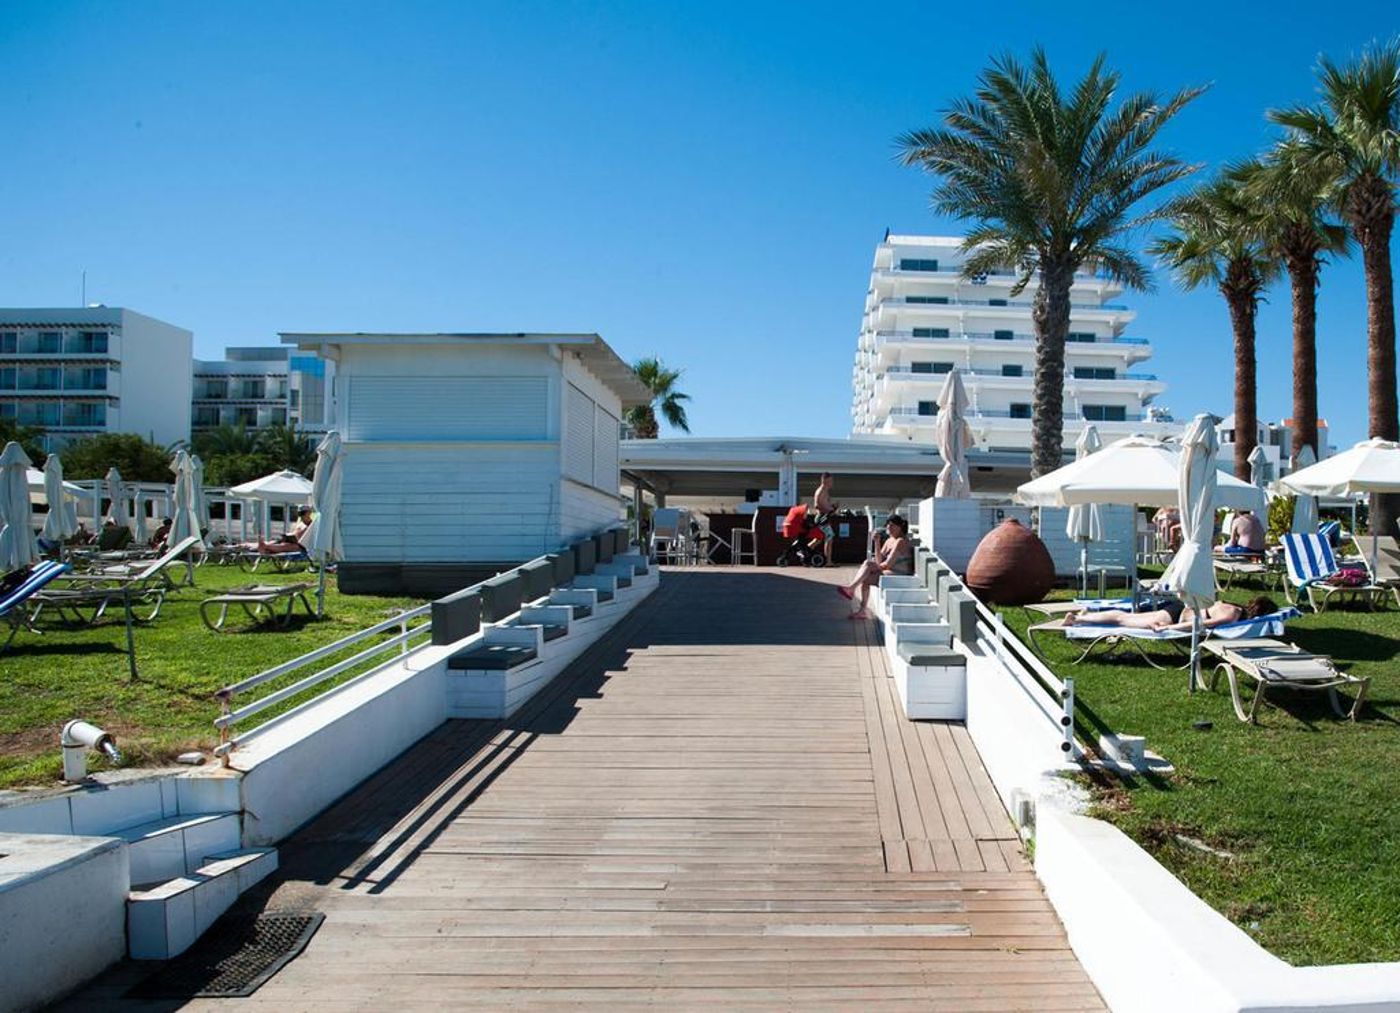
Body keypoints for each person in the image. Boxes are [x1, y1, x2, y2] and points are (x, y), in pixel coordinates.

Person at [836, 514, 913, 620]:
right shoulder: (889, 540)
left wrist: (872, 567)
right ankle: (861, 610)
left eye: (892, 525)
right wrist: (877, 542)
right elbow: (879, 560)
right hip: (889, 572)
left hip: (899, 575)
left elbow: (887, 565)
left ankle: (852, 589)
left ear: (900, 527)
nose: (889, 528)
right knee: (865, 577)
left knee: (867, 565)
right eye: (888, 525)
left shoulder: (901, 541)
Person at [1063, 595, 1277, 632]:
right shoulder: (1232, 615)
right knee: (1122, 619)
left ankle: (1084, 615)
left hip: (1178, 609)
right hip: (1175, 617)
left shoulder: (1232, 606)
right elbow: (1199, 626)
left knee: (1124, 616)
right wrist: (1169, 628)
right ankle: (1078, 619)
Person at [812, 472, 838, 565]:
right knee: (829, 537)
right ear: (825, 480)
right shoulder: (821, 491)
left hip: (823, 517)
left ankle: (805, 552)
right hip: (822, 518)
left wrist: (832, 508)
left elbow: (825, 504)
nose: (832, 482)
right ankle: (828, 561)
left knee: (818, 539)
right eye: (830, 480)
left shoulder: (824, 491)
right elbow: (817, 505)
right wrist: (829, 510)